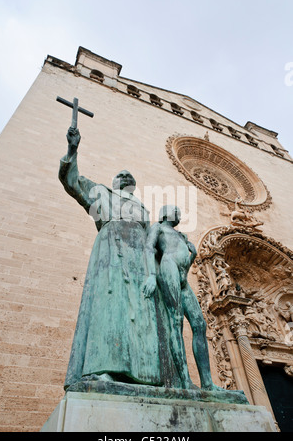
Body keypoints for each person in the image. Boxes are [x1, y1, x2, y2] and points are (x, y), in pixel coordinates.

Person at [59, 126, 162, 388]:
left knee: (141, 310)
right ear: (114, 181)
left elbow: (152, 240)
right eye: (119, 174)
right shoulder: (101, 193)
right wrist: (73, 148)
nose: (124, 175)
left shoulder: (143, 209)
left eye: (128, 175)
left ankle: (143, 373)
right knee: (111, 303)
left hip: (138, 255)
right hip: (111, 248)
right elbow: (72, 181)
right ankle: (102, 367)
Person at [143, 205, 224, 391]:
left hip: (182, 276)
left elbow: (185, 266)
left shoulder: (181, 235)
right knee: (176, 322)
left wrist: (193, 255)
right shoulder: (158, 227)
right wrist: (152, 276)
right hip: (168, 268)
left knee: (199, 324)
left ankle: (208, 383)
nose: (178, 214)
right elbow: (149, 248)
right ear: (165, 213)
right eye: (175, 211)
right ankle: (185, 380)